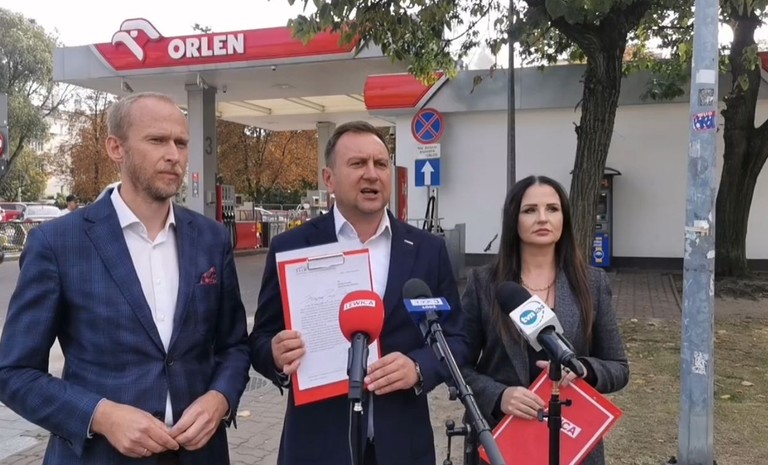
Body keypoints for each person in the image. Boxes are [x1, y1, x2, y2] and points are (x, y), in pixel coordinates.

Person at [0, 92, 251, 465]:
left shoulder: (211, 238)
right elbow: (13, 373)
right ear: (116, 148)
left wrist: (220, 398)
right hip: (99, 456)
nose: (174, 155)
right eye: (157, 140)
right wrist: (101, 415)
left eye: (181, 143)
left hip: (200, 455)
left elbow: (235, 346)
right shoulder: (58, 243)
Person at [249, 121, 468, 465]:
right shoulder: (291, 247)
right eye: (357, 164)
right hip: (317, 446)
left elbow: (457, 338)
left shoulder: (427, 250)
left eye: (380, 164)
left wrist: (419, 367)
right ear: (329, 178)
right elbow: (260, 339)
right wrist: (275, 355)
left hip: (402, 446)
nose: (372, 174)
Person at [460, 175, 629, 465]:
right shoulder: (483, 283)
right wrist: (499, 396)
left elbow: (619, 368)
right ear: (513, 219)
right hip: (502, 440)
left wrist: (584, 369)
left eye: (552, 209)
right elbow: (456, 365)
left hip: (571, 444)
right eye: (530, 210)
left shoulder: (592, 283)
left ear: (564, 218)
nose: (542, 218)